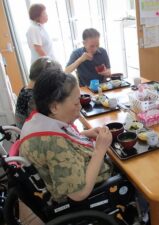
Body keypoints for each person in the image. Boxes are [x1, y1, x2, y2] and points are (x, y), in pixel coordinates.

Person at [19, 69, 112, 202]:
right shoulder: (52, 144)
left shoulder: (41, 120)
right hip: (89, 194)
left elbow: (63, 139)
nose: (79, 106)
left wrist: (84, 134)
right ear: (54, 107)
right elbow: (79, 194)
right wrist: (100, 150)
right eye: (75, 103)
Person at [15, 57, 62, 129]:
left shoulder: (25, 89)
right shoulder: (34, 98)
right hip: (31, 135)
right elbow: (46, 123)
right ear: (45, 80)